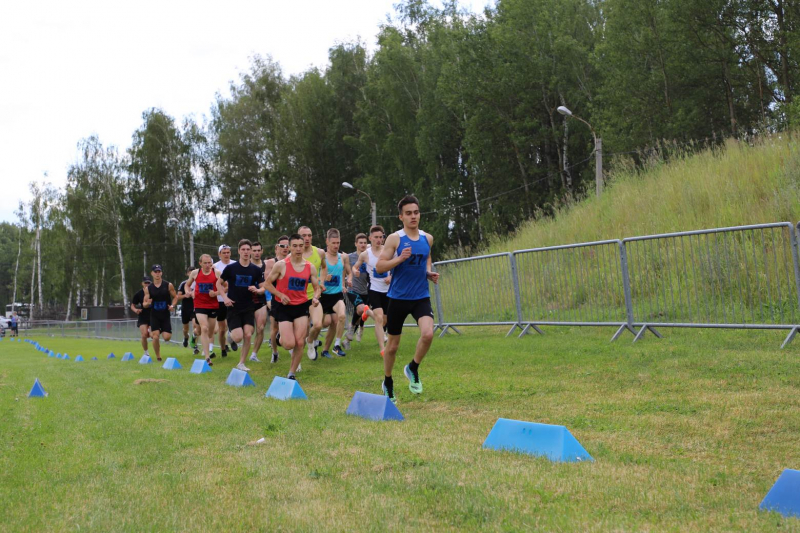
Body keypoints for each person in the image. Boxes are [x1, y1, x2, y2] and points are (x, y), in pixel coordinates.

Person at [376, 195, 439, 404]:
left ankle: (412, 367)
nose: (413, 216)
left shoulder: (427, 238)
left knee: (428, 334)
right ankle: (388, 382)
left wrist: (428, 272)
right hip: (398, 299)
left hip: (420, 296)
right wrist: (400, 258)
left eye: (416, 212)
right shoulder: (395, 239)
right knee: (392, 347)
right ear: (401, 216)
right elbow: (380, 267)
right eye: (409, 213)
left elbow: (426, 258)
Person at [264, 233, 321, 381]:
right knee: (289, 344)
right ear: (289, 247)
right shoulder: (281, 265)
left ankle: (291, 373)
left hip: (301, 306)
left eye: (301, 246)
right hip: (284, 306)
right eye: (294, 246)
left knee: (300, 341)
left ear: (304, 246)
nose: (298, 249)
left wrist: (315, 298)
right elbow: (267, 284)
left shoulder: (310, 267)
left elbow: (317, 288)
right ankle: (279, 338)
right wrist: (279, 294)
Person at [218, 239, 266, 373]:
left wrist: (258, 290)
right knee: (238, 337)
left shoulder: (255, 270)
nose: (246, 252)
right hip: (233, 306)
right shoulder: (231, 268)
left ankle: (241, 363)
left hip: (249, 306)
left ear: (251, 251)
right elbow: (218, 284)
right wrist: (225, 297)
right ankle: (231, 334)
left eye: (248, 249)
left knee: (248, 335)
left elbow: (263, 287)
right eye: (243, 249)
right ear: (239, 251)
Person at [353, 225, 391, 357]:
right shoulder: (365, 254)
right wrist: (355, 271)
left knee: (385, 320)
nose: (379, 240)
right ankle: (382, 349)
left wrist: (390, 277)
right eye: (376, 237)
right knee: (379, 318)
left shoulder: (389, 251)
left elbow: (397, 266)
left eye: (381, 237)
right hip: (374, 289)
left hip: (388, 290)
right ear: (370, 238)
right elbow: (355, 267)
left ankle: (366, 312)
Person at [184, 254, 223, 366]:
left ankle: (195, 335)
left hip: (213, 305)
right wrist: (188, 292)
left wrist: (215, 293)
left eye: (209, 263)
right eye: (205, 263)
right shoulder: (195, 273)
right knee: (204, 328)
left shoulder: (217, 273)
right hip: (199, 304)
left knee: (211, 333)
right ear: (200, 263)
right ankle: (207, 357)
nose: (207, 265)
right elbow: (187, 285)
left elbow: (226, 287)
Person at [319, 228, 351, 358]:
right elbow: (312, 275)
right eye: (333, 243)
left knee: (341, 317)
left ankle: (334, 346)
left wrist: (349, 279)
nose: (336, 246)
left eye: (338, 242)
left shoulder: (343, 257)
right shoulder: (321, 257)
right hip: (323, 295)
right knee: (322, 324)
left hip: (337, 296)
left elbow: (350, 272)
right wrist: (323, 279)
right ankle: (311, 340)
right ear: (327, 242)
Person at [298, 226, 327, 361]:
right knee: (300, 333)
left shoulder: (319, 252)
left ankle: (310, 341)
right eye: (304, 236)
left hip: (313, 296)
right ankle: (297, 363)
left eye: (309, 235)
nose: (307, 238)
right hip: (298, 299)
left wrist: (322, 282)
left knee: (318, 325)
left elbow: (324, 267)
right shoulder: (294, 255)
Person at [143, 265, 178, 362]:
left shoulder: (168, 285)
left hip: (165, 315)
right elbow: (144, 303)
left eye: (159, 271)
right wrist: (147, 303)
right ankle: (158, 357)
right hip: (154, 315)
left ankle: (159, 330)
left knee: (167, 337)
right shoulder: (148, 288)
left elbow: (175, 297)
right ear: (152, 273)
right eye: (155, 272)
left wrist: (172, 306)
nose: (157, 273)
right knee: (155, 336)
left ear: (161, 273)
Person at [266, 235, 290, 364]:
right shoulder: (271, 262)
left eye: (287, 246)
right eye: (282, 246)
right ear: (277, 248)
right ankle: (275, 352)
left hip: (291, 298)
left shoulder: (294, 260)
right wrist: (268, 299)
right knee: (274, 328)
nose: (285, 248)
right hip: (276, 298)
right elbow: (267, 282)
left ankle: (293, 353)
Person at [346, 233, 373, 347]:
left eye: (364, 243)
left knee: (361, 312)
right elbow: (345, 270)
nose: (362, 245)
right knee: (361, 308)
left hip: (366, 290)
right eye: (360, 243)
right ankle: (352, 327)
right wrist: (345, 282)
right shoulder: (350, 257)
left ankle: (358, 329)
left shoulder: (369, 256)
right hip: (352, 289)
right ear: (356, 244)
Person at [213, 244, 237, 357]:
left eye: (228, 252)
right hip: (219, 300)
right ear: (219, 254)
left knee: (233, 323)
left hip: (233, 298)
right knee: (222, 328)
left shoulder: (235, 264)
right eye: (224, 253)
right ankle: (223, 348)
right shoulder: (215, 267)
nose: (226, 254)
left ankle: (231, 338)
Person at [248, 241, 270, 363]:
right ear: (251, 251)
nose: (256, 253)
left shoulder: (266, 266)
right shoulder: (245, 264)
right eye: (254, 250)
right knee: (249, 331)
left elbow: (268, 282)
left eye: (258, 250)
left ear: (262, 251)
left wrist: (261, 291)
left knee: (260, 328)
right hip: (247, 300)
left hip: (261, 299)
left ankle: (254, 354)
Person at [176, 266, 198, 349]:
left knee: (195, 326)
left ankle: (195, 345)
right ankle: (186, 337)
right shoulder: (184, 283)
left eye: (194, 271)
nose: (192, 273)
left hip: (195, 307)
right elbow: (178, 296)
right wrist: (186, 295)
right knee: (185, 329)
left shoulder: (198, 282)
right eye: (190, 272)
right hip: (185, 308)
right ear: (187, 274)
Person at [130, 276, 152, 357]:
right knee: (144, 335)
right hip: (143, 316)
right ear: (142, 284)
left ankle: (157, 352)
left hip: (153, 315)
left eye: (148, 283)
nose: (147, 284)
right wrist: (136, 310)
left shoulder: (154, 292)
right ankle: (146, 352)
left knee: (153, 335)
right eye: (145, 283)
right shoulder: (138, 294)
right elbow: (132, 305)